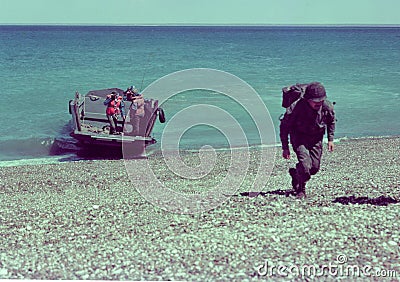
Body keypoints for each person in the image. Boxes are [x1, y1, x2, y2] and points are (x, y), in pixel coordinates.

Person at [279, 82, 335, 199]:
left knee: (314, 168)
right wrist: (285, 147)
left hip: (316, 138)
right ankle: (300, 189)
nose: (319, 104)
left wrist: (330, 139)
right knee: (305, 167)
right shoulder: (295, 108)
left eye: (321, 101)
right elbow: (284, 127)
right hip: (299, 138)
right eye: (315, 101)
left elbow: (331, 122)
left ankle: (296, 174)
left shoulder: (326, 106)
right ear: (307, 99)